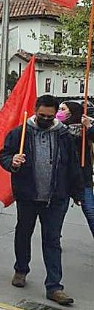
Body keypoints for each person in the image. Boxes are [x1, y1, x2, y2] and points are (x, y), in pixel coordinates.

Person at [0, 94, 84, 306]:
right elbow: (4, 156)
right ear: (35, 111)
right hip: (28, 196)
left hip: (56, 198)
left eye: (49, 116)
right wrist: (13, 162)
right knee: (23, 233)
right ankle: (21, 270)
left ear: (56, 115)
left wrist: (77, 192)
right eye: (41, 115)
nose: (45, 119)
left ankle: (54, 286)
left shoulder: (64, 136)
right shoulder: (20, 134)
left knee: (52, 240)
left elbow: (73, 164)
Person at [58, 100, 94, 237]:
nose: (59, 112)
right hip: (63, 177)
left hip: (82, 176)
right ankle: (54, 240)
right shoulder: (58, 128)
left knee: (90, 211)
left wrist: (89, 127)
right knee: (59, 213)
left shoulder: (85, 129)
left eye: (63, 109)